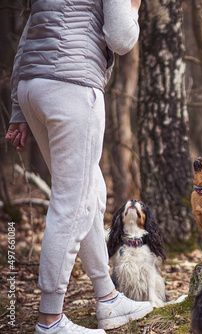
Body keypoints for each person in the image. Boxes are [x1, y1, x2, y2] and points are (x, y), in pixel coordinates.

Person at [5, 0, 154, 333]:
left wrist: (18, 107)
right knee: (71, 204)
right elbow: (121, 38)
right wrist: (134, 6)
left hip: (33, 86)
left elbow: (29, 35)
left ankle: (108, 298)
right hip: (72, 87)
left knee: (91, 190)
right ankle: (50, 320)